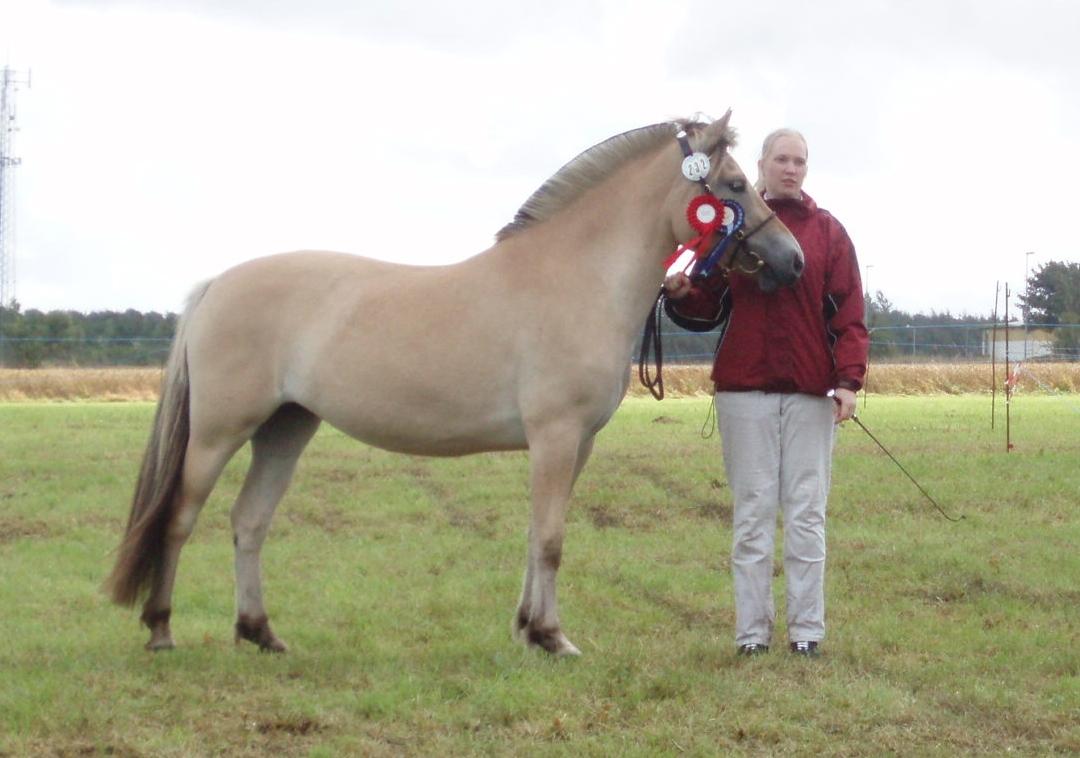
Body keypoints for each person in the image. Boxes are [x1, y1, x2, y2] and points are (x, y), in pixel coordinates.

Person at [663, 128, 868, 657]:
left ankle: (807, 633)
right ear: (762, 164)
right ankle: (751, 634)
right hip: (743, 390)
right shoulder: (730, 228)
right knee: (752, 514)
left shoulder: (828, 233)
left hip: (810, 393)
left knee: (806, 514)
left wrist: (848, 382)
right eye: (781, 159)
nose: (791, 169)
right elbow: (707, 305)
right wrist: (683, 296)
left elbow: (850, 314)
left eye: (800, 160)